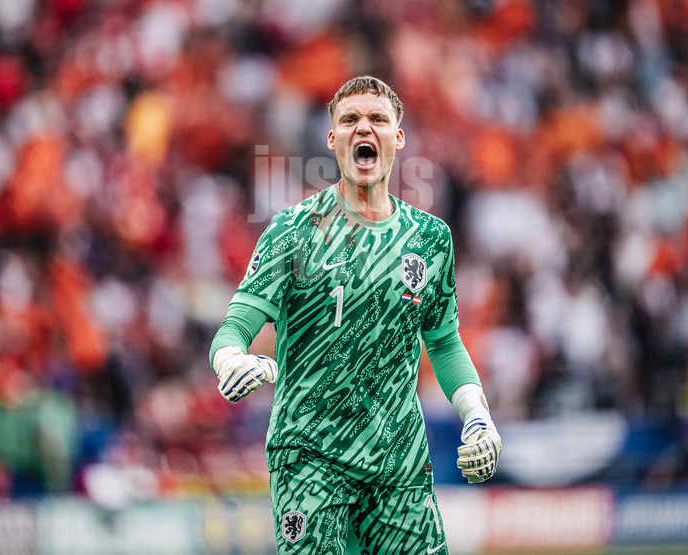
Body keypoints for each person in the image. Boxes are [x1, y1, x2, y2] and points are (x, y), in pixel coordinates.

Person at [209, 76, 501, 554]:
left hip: (399, 463)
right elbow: (234, 327)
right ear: (333, 139)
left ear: (398, 138)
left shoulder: (430, 239)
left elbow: (444, 342)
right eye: (350, 120)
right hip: (310, 461)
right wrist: (231, 361)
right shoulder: (293, 230)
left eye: (377, 119)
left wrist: (477, 416)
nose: (364, 128)